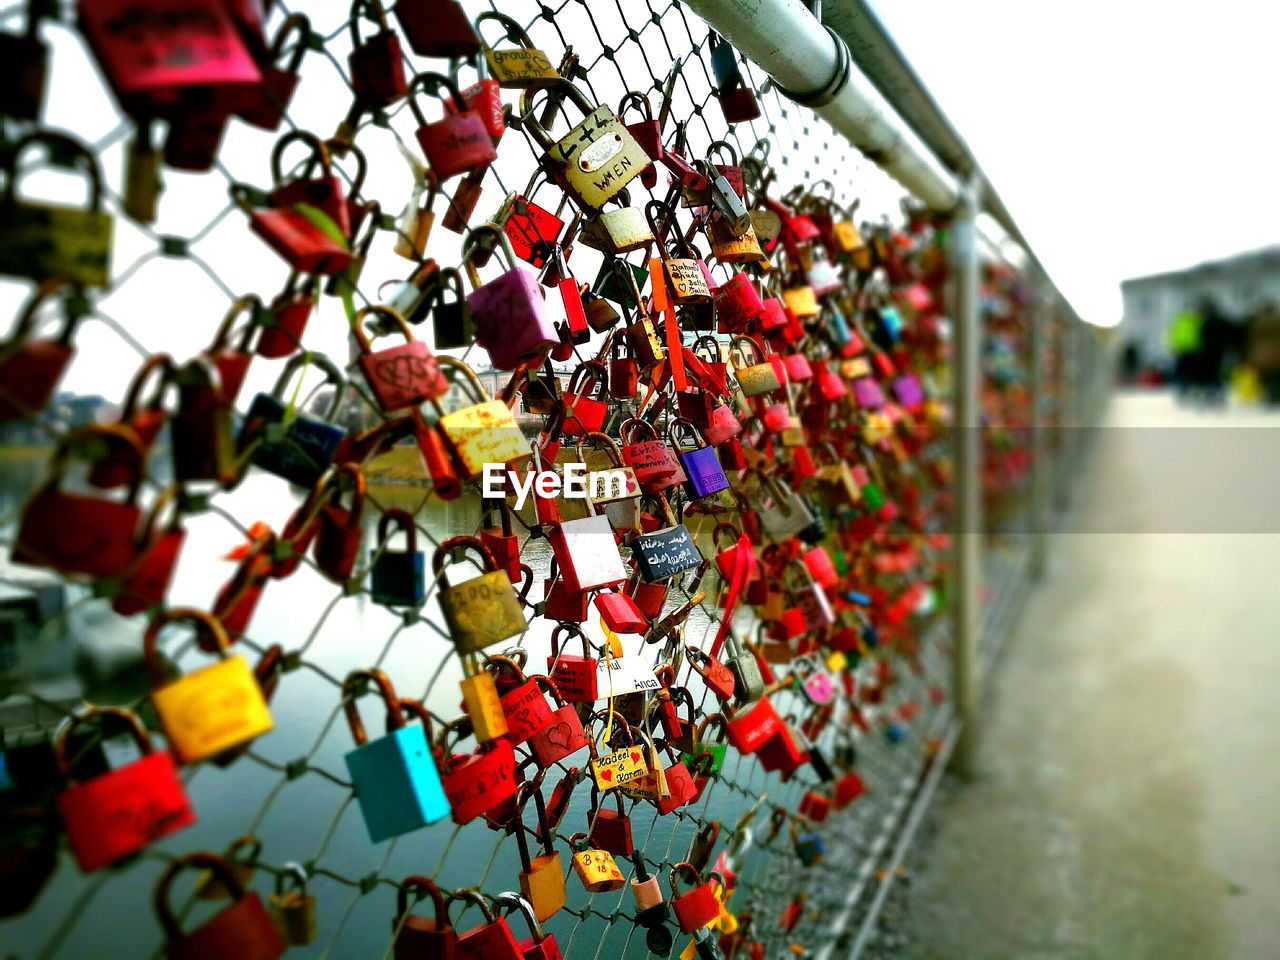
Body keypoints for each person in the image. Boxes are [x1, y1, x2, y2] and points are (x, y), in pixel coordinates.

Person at [1248, 303, 1280, 404]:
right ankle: (1276, 395)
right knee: (1277, 376)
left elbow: (1253, 341)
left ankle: (1270, 395)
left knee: (1266, 376)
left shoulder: (1258, 323)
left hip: (1263, 354)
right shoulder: (1277, 322)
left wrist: (1252, 356)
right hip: (1277, 353)